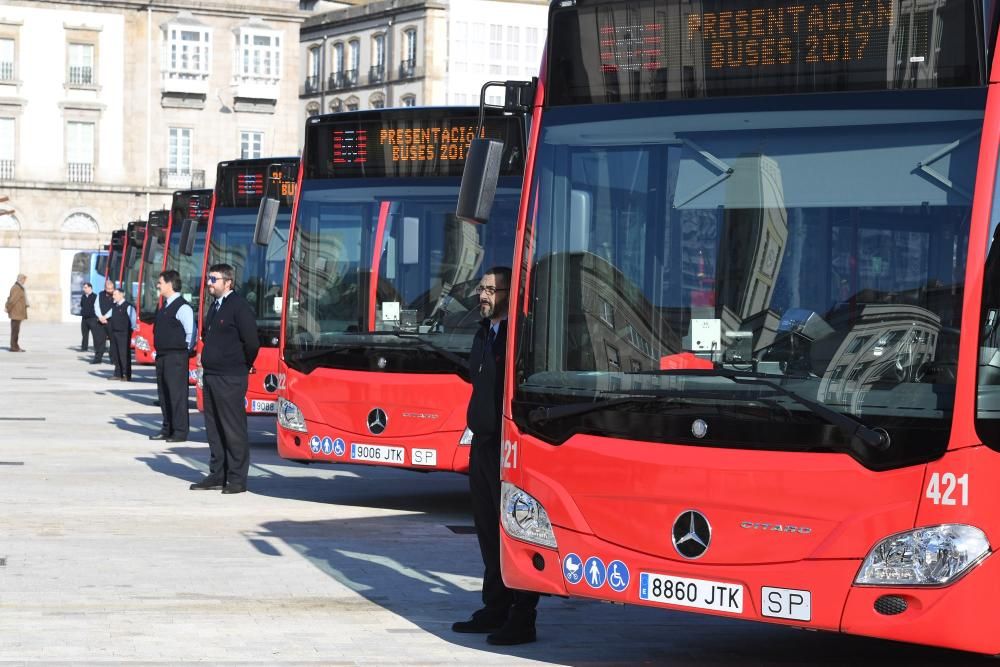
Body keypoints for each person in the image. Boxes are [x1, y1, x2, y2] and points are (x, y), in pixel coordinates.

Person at [452, 266, 539, 645]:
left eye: (491, 289)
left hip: (511, 445)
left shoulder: (522, 335)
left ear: (509, 293)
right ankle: (494, 607)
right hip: (484, 445)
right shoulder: (484, 331)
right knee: (487, 529)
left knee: (515, 531)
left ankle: (523, 616)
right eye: (481, 288)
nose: (482, 295)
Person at [190, 263, 259, 494]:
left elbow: (252, 342)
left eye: (214, 279)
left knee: (232, 428)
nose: (209, 283)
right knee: (214, 427)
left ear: (227, 282)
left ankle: (237, 479)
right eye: (209, 278)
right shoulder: (215, 307)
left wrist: (243, 365)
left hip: (231, 377)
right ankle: (217, 474)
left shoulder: (239, 307)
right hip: (212, 376)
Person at [150, 270, 194, 443]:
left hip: (176, 357)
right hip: (162, 356)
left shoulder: (182, 307)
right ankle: (167, 428)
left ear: (169, 284)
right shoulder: (165, 306)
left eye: (160, 282)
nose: (158, 285)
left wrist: (183, 352)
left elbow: (190, 333)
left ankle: (180, 431)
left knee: (176, 395)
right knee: (164, 394)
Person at [101, 287, 136, 381]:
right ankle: (117, 373)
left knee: (123, 354)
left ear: (122, 294)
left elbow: (133, 320)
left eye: (115, 295)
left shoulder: (128, 306)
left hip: (124, 333)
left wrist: (131, 330)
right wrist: (103, 317)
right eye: (113, 295)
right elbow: (109, 314)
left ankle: (126, 374)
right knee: (116, 354)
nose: (113, 297)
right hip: (114, 332)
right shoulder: (115, 306)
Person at [92, 279, 115, 364]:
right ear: (105, 288)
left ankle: (113, 359)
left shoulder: (116, 294)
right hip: (100, 321)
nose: (110, 290)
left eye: (111, 288)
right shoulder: (100, 294)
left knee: (113, 341)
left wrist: (105, 316)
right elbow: (96, 306)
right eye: (108, 289)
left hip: (111, 321)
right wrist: (101, 317)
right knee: (99, 340)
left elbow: (114, 307)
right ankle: (98, 358)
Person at [5, 273, 28, 352]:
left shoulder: (19, 287)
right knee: (15, 331)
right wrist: (7, 308)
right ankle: (14, 347)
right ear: (21, 279)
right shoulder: (17, 288)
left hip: (17, 313)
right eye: (24, 280)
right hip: (16, 313)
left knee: (16, 331)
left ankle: (15, 346)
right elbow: (12, 300)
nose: (25, 281)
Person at [79, 282, 99, 353]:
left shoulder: (95, 296)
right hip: (84, 318)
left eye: (85, 287)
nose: (84, 289)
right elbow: (82, 305)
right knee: (84, 334)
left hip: (92, 318)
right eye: (84, 287)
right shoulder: (83, 296)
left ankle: (97, 348)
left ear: (90, 288)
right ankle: (84, 348)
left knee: (95, 334)